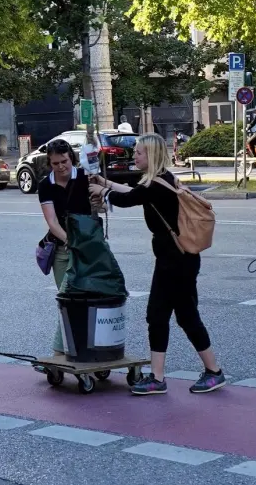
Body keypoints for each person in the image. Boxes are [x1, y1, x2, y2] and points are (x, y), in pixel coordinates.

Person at [91, 133, 226, 395]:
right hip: (178, 259)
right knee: (176, 316)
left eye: (139, 152)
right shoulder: (162, 179)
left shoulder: (155, 185)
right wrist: (105, 183)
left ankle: (185, 374)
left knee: (164, 316)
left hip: (174, 262)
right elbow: (135, 193)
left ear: (151, 155)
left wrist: (103, 191)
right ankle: (184, 373)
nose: (134, 155)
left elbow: (128, 199)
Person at [37, 139, 93, 355]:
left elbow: (100, 208)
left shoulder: (86, 177)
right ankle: (61, 354)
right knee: (68, 301)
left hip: (88, 249)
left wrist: (100, 203)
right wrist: (70, 242)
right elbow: (52, 221)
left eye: (64, 161)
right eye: (55, 163)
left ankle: (75, 351)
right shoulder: (46, 185)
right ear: (49, 163)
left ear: (72, 158)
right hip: (63, 251)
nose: (61, 167)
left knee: (89, 300)